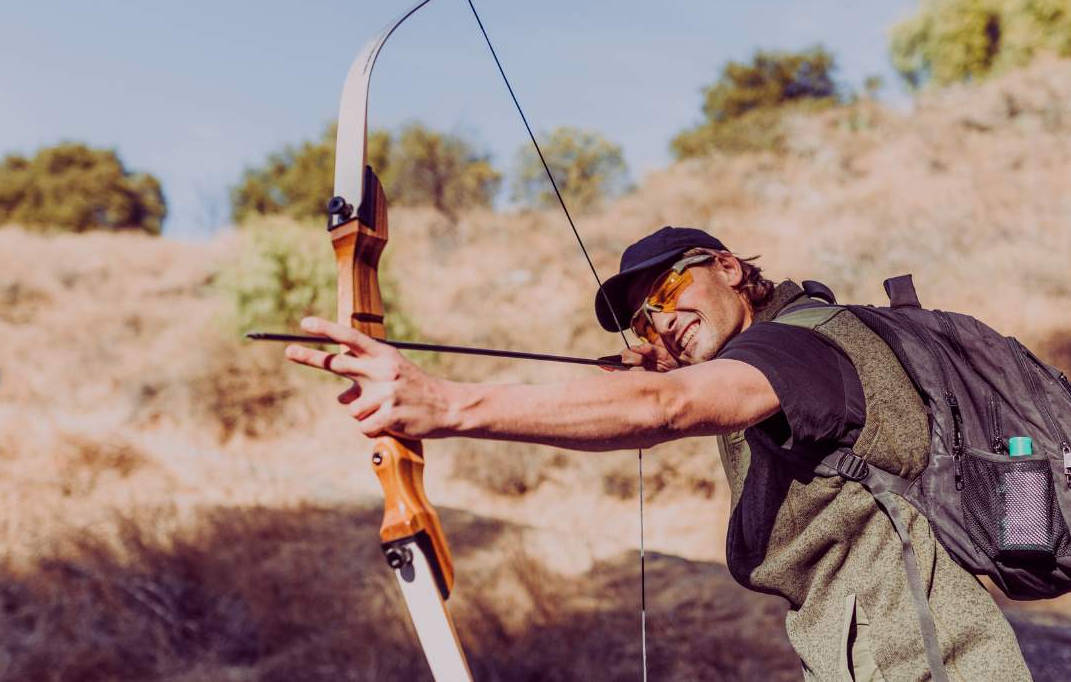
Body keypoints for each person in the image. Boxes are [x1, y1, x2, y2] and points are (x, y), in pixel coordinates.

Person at [285, 226, 1032, 681]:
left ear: (731, 267)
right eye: (642, 319)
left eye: (671, 289)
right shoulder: (770, 362)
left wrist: (447, 405)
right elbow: (655, 393)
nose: (660, 322)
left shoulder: (802, 343)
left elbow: (663, 406)